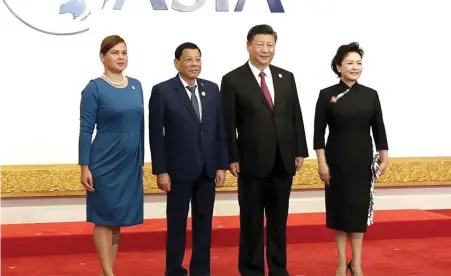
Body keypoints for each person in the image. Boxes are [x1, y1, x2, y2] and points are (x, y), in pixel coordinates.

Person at [220, 24, 309, 276]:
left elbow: (295, 116)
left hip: (283, 161)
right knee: (251, 222)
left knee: (279, 222)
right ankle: (251, 270)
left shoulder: (286, 76)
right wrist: (232, 157)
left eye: (270, 45)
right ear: (248, 45)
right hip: (251, 163)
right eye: (260, 44)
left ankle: (279, 269)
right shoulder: (232, 79)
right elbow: (228, 124)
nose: (265, 50)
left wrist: (299, 150)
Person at [148, 42, 228, 276]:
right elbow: (156, 135)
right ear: (177, 63)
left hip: (207, 169)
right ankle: (174, 269)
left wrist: (221, 164)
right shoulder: (163, 91)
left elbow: (219, 129)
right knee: (177, 224)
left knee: (204, 223)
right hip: (177, 171)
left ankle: (201, 270)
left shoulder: (212, 89)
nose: (194, 64)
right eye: (189, 59)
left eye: (197, 59)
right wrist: (161, 170)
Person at [313, 42, 389, 276]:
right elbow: (318, 133)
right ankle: (340, 263)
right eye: (349, 63)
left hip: (362, 162)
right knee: (339, 213)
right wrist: (322, 162)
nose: (355, 67)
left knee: (357, 214)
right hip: (336, 161)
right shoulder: (327, 95)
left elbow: (379, 129)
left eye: (358, 63)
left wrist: (384, 156)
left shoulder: (370, 95)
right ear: (338, 66)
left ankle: (356, 263)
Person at [78, 35, 145, 276]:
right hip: (104, 162)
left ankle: (109, 271)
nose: (121, 57)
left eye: (124, 52)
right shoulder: (94, 87)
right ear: (102, 57)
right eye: (115, 52)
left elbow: (140, 127)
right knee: (104, 217)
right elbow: (86, 129)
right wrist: (84, 166)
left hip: (128, 164)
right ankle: (108, 273)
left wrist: (140, 161)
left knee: (117, 220)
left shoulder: (136, 85)